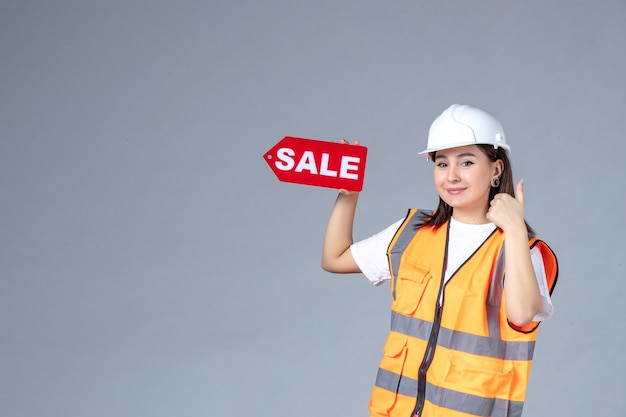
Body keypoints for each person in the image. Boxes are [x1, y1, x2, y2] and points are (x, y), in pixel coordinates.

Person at [321, 104, 559, 417]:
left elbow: (523, 313)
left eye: (467, 162)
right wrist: (348, 195)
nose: (452, 176)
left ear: (496, 170)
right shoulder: (411, 233)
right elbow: (334, 259)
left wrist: (514, 227)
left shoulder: (519, 248)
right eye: (442, 163)